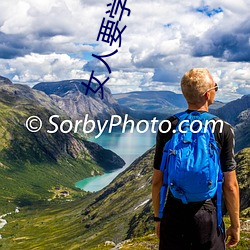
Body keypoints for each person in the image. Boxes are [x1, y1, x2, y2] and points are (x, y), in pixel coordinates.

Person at [152, 68, 240, 250]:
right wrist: (235, 225)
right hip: (207, 215)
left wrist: (158, 218)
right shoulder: (222, 129)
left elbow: (157, 181)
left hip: (174, 212)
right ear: (208, 94)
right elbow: (230, 185)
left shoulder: (168, 125)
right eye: (216, 87)